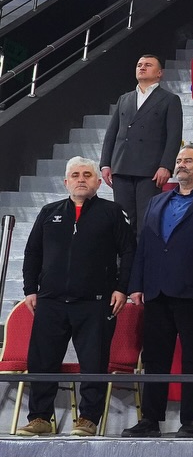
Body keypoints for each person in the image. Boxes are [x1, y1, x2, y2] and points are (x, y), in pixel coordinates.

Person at [123, 145, 193, 437]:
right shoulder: (157, 200)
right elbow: (145, 245)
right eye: (178, 160)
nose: (181, 164)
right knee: (154, 358)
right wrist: (136, 285)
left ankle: (189, 422)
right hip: (156, 290)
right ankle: (151, 420)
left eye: (188, 160)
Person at [16, 157, 133, 437]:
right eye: (76, 175)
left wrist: (122, 288)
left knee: (94, 363)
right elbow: (33, 252)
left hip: (95, 302)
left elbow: (129, 252)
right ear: (66, 181)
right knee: (42, 361)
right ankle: (40, 418)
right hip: (51, 301)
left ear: (98, 182)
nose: (81, 179)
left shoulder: (113, 212)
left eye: (87, 175)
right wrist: (30, 289)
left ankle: (88, 418)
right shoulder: (49, 212)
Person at [100, 54, 184, 228]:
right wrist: (105, 164)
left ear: (159, 73)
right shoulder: (125, 98)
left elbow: (174, 136)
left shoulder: (169, 99)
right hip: (122, 166)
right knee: (123, 221)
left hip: (150, 170)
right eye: (139, 65)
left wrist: (166, 166)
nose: (142, 67)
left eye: (148, 65)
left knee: (147, 220)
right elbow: (112, 133)